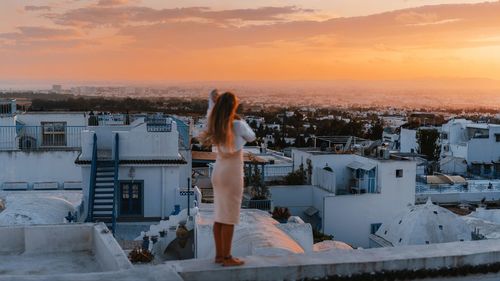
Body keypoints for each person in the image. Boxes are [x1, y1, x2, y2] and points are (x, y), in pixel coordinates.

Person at [199, 89, 256, 266]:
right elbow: (252, 137)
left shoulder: (215, 123)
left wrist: (212, 101)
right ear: (233, 106)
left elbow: (210, 112)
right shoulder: (237, 125)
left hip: (218, 171)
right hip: (232, 173)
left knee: (219, 214)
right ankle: (227, 257)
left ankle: (218, 256)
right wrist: (238, 117)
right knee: (229, 216)